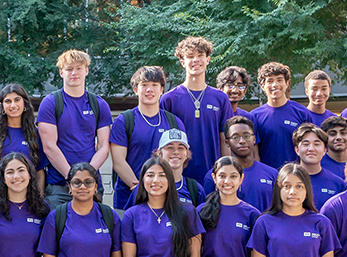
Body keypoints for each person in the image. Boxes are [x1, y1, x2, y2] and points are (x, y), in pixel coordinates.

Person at [38, 50, 113, 207]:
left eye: (79, 68)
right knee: (58, 230)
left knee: (94, 230)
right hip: (59, 186)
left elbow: (103, 147)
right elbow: (49, 147)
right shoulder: (51, 103)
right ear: (61, 72)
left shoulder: (99, 105)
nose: (74, 73)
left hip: (92, 186)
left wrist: (86, 179)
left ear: (86, 71)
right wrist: (73, 179)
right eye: (69, 69)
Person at [159, 37, 229, 195]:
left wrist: (225, 170)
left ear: (208, 60)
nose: (195, 60)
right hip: (178, 177)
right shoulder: (169, 99)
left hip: (212, 175)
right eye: (190, 56)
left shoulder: (220, 98)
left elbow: (225, 139)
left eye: (200, 55)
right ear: (183, 62)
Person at [108, 66, 184, 210]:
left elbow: (179, 159)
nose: (150, 90)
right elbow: (118, 162)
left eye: (155, 85)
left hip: (165, 198)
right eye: (144, 85)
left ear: (162, 89)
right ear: (136, 90)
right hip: (129, 197)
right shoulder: (124, 121)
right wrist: (142, 189)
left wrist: (159, 189)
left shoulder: (174, 122)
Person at [248, 62, 308, 171]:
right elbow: (254, 152)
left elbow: (308, 148)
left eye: (279, 80)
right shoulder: (254, 116)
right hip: (267, 177)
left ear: (287, 83)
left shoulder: (302, 113)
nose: (275, 85)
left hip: (296, 176)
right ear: (262, 86)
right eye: (270, 81)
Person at [0, 85, 45, 190]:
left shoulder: (36, 134)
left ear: (24, 103)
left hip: (28, 197)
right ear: (2, 106)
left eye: (17, 100)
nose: (13, 105)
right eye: (8, 101)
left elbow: (40, 172)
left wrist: (39, 199)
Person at [292, 123, 347, 207]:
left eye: (316, 144)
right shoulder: (285, 180)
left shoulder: (338, 184)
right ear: (297, 150)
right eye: (306, 144)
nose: (311, 149)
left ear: (324, 150)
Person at [318, 116, 347, 182]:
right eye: (332, 134)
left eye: (343, 133)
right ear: (325, 138)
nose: (338, 137)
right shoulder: (318, 164)